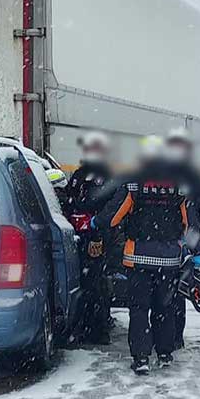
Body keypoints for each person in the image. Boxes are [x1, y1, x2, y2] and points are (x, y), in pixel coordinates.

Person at [97, 135, 197, 374]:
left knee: (139, 308)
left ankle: (141, 358)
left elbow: (114, 216)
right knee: (165, 306)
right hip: (169, 261)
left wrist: (96, 223)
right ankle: (164, 352)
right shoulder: (178, 185)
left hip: (138, 258)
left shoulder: (134, 183)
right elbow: (187, 223)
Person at [63, 131, 114, 344]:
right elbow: (69, 198)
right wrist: (71, 210)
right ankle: (81, 325)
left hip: (96, 237)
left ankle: (99, 328)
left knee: (96, 282)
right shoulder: (79, 175)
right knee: (81, 282)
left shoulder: (106, 176)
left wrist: (94, 221)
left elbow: (109, 206)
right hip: (78, 237)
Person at [164, 128, 200, 350]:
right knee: (176, 292)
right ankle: (173, 337)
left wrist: (195, 250)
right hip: (176, 246)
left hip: (174, 246)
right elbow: (198, 215)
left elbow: (196, 217)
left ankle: (171, 337)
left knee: (172, 294)